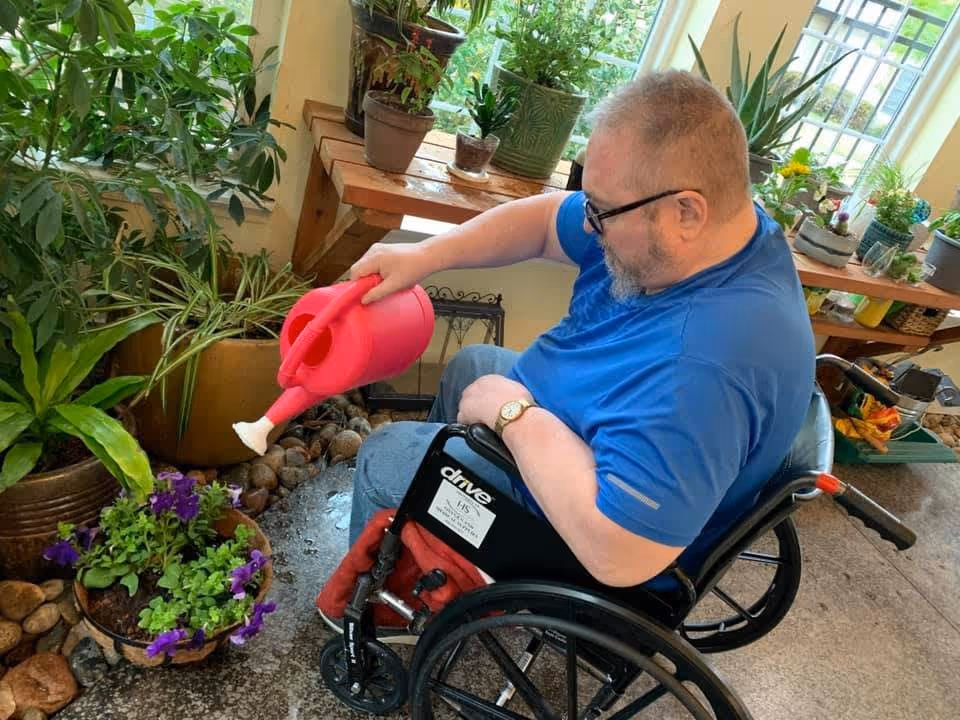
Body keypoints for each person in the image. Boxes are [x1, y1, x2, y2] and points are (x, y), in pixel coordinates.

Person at [333, 69, 814, 624]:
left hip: (583, 541)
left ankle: (368, 617)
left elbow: (620, 553)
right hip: (584, 429)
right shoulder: (724, 231)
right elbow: (542, 222)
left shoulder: (706, 367)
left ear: (686, 212)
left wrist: (514, 414)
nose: (589, 224)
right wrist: (423, 256)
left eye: (602, 212)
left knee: (385, 455)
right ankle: (435, 537)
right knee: (472, 365)